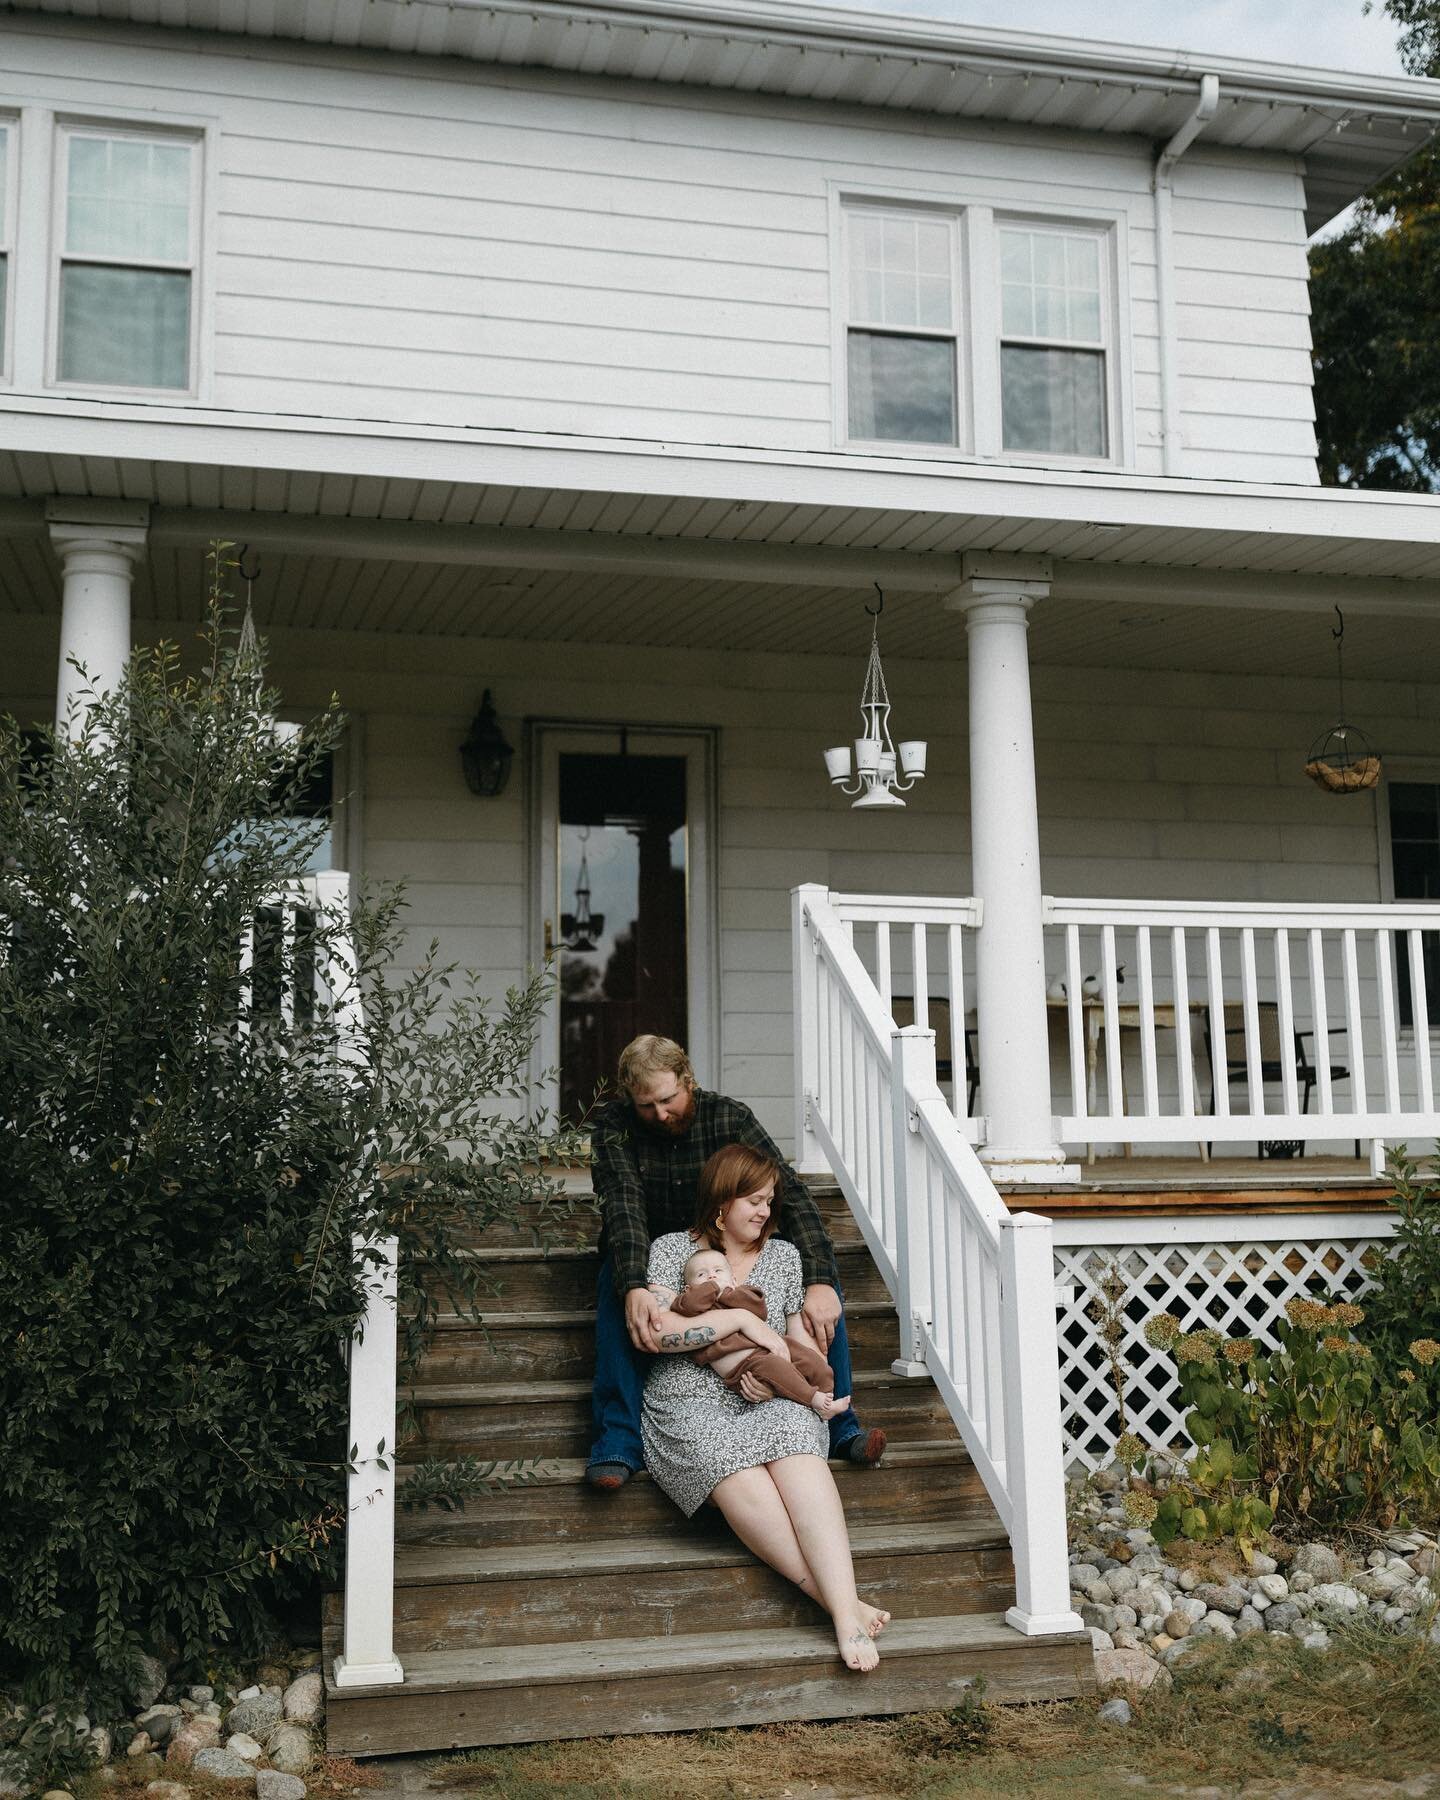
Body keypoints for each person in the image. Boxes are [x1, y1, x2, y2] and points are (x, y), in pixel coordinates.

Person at [585, 1033, 886, 1488]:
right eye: (646, 1106)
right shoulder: (615, 1125)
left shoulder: (728, 1117)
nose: (659, 1114)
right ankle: (617, 1440)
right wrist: (635, 1286)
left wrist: (820, 1280)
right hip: (660, 1254)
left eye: (668, 1100)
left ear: (689, 1080)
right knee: (617, 1282)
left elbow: (790, 1196)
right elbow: (623, 1206)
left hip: (729, 1242)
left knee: (821, 1288)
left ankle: (842, 1426)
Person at [643, 1143, 891, 1671]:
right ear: (721, 1202)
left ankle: (843, 1610)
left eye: (769, 1200)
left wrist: (786, 1376)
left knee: (799, 1446)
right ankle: (843, 1609)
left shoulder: (783, 1257)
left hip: (766, 1388)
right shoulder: (672, 1250)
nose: (763, 1210)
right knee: (739, 1473)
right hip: (688, 1398)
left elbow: (792, 1338)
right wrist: (739, 1323)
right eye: (753, 1200)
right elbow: (662, 1333)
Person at [673, 1245, 851, 1421]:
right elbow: (686, 1306)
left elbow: (759, 1311)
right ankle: (815, 1400)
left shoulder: (738, 1295)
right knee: (775, 1367)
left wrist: (727, 1292)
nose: (712, 1276)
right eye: (701, 1275)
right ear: (688, 1289)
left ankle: (827, 1395)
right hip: (743, 1367)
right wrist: (712, 1288)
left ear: (733, 1280)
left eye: (718, 1271)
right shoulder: (690, 1305)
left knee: (810, 1359)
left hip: (765, 1348)